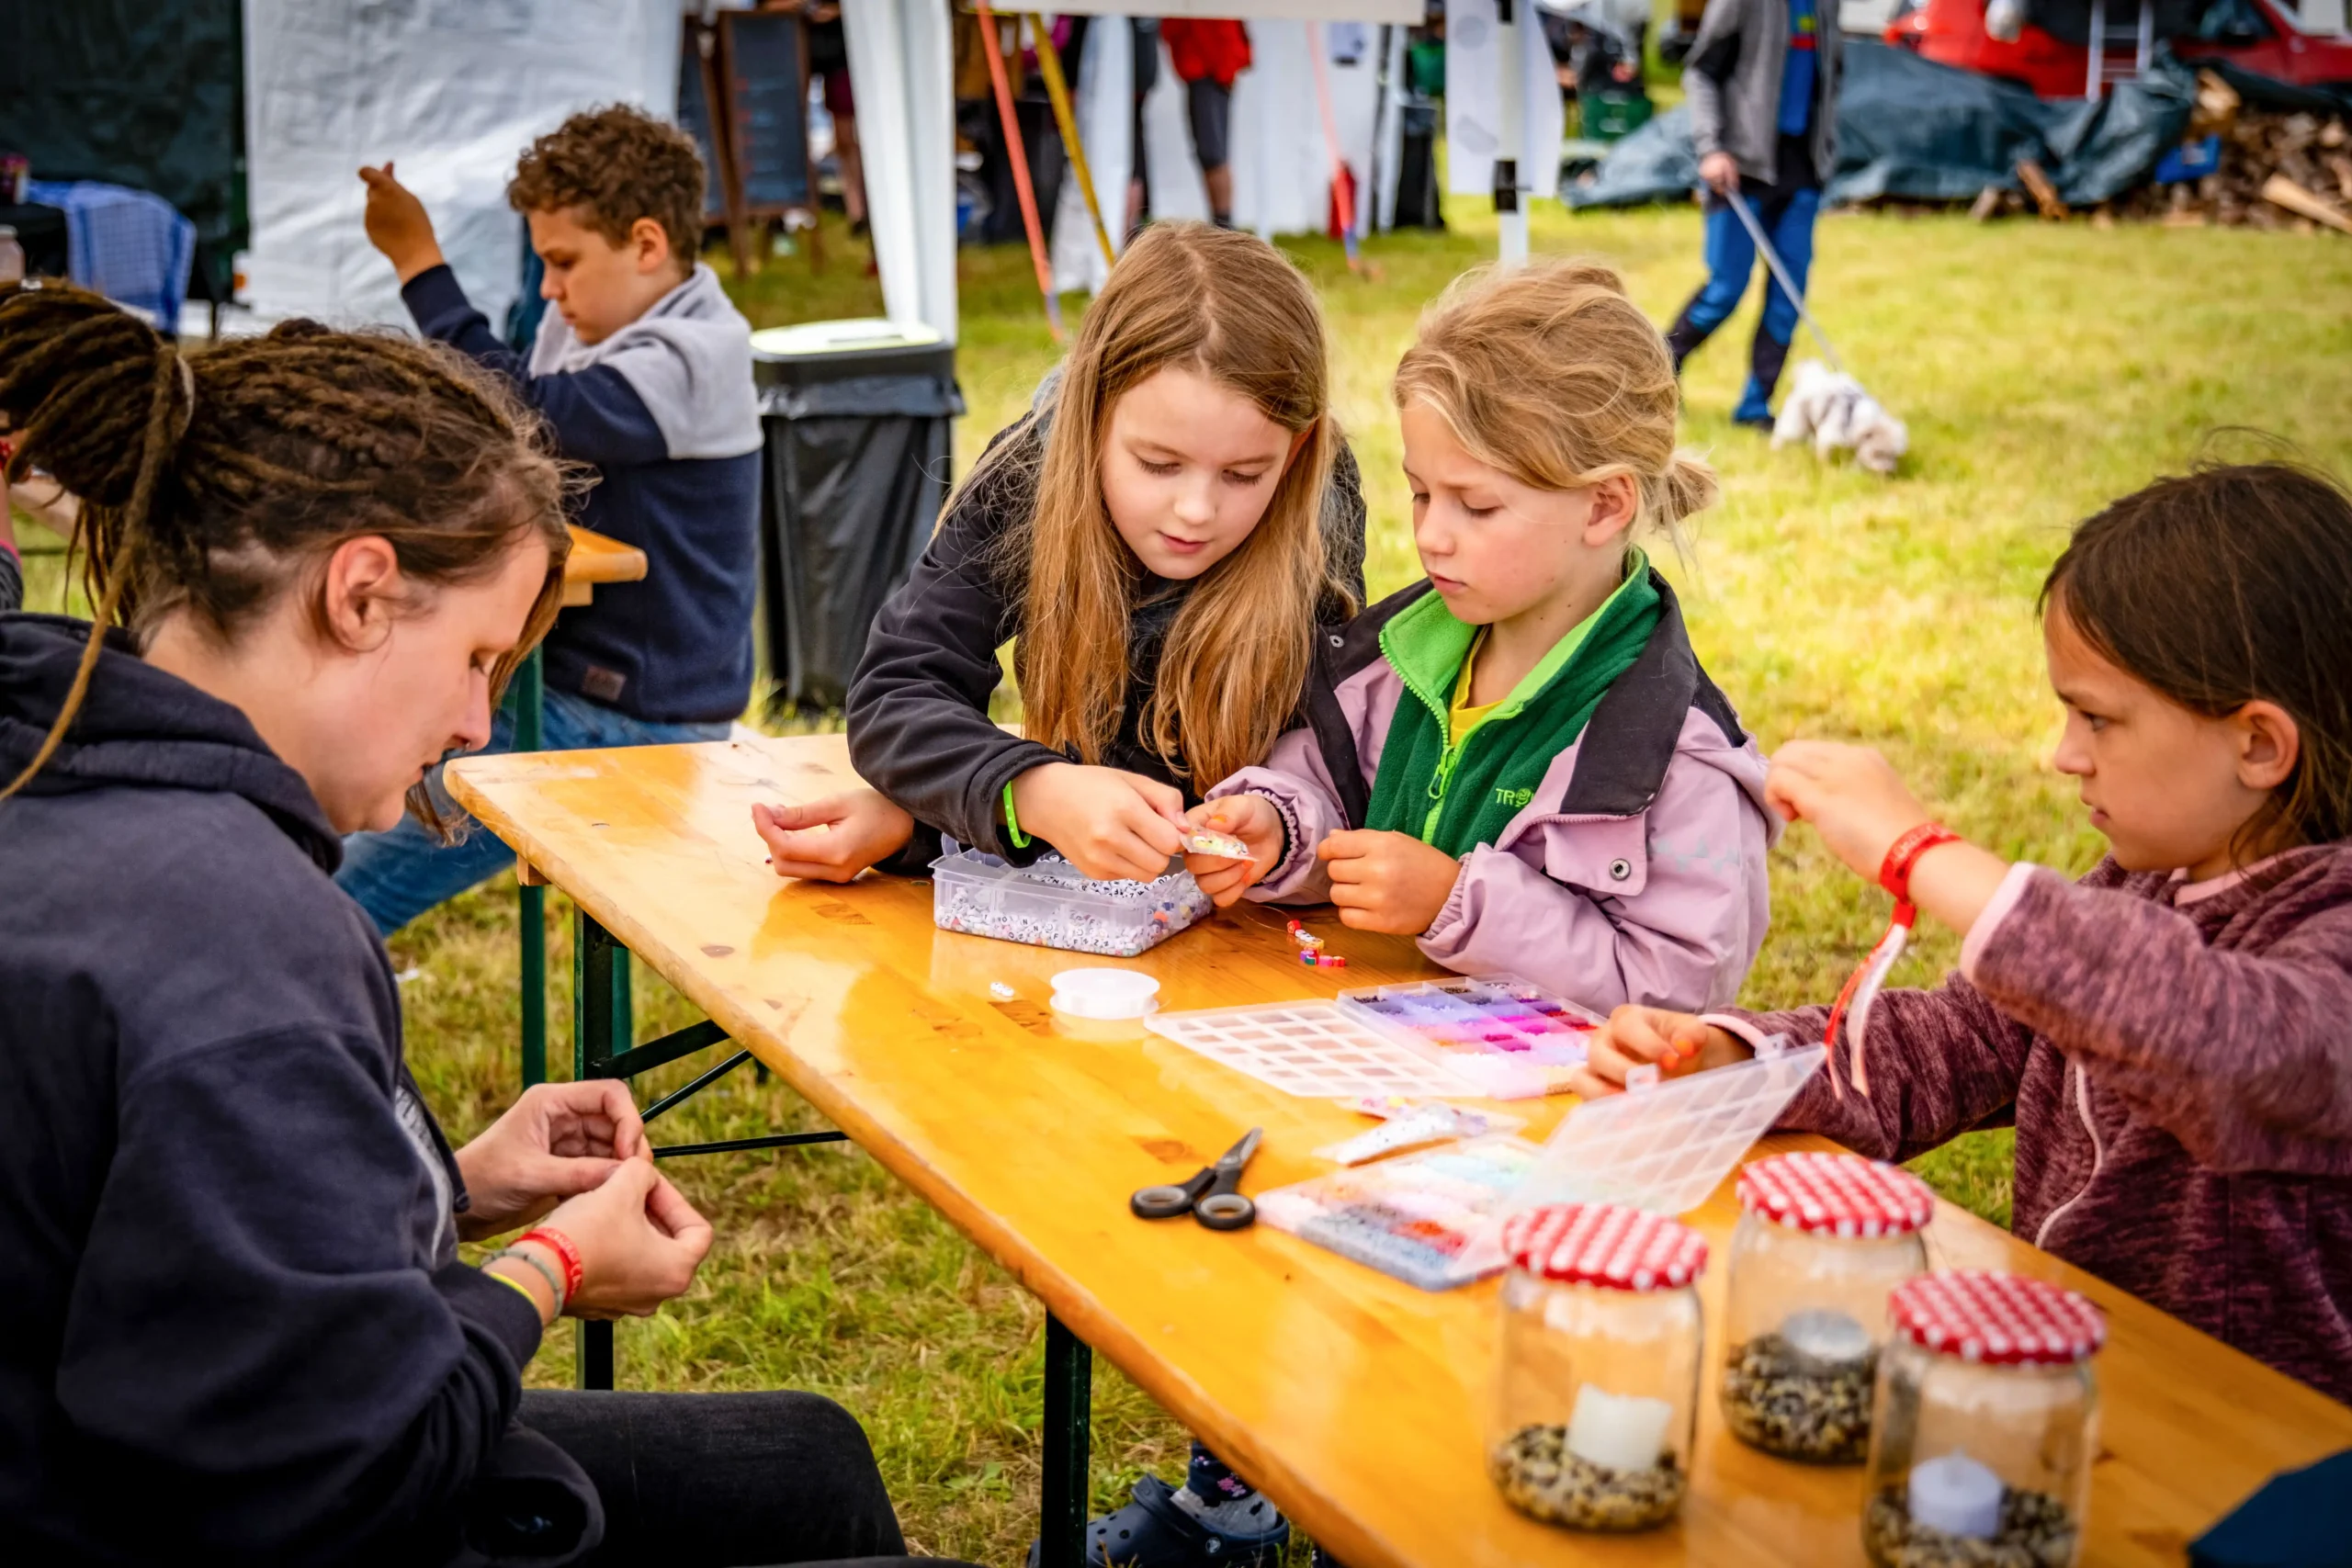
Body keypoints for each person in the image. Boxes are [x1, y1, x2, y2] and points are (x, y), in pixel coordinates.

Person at [0, 286, 967, 1566]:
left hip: (105, 1461)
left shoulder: (57, 759)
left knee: (806, 1453)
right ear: (359, 593)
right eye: (475, 659)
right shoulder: (242, 941)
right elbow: (356, 1472)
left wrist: (447, 1185)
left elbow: (169, 1246)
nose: (472, 724)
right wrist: (556, 1264)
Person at [1575, 460, 2352, 1404]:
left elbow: (2223, 1042)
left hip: (2250, 1454)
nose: (2064, 755)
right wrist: (1733, 1059)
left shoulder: (2327, 944)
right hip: (2061, 1396)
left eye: (2097, 720)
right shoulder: (2145, 886)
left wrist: (1920, 853)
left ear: (2259, 745)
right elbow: (1961, 1041)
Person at [1187, 259, 1774, 1016]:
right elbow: (1328, 788)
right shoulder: (1392, 661)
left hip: (1550, 1112)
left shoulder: (1678, 757)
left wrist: (1454, 901)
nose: (1432, 535)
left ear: (1603, 506)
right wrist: (1279, 824)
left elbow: (1671, 992)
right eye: (1422, 493)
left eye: (1477, 506)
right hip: (1373, 1068)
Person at [751, 221, 1367, 902]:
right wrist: (1023, 792)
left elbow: (1337, 764)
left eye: (1245, 475)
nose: (1196, 509)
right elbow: (897, 690)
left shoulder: (1316, 509)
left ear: (1299, 450)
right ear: (1090, 418)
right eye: (1158, 464)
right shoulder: (1029, 475)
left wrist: (1274, 823)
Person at [342, 102, 763, 936]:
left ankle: (303, 986)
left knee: (354, 870)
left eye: (563, 262)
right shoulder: (605, 324)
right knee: (350, 760)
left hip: (637, 717)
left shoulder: (694, 355)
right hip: (567, 682)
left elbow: (515, 410)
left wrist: (420, 264)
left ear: (647, 245)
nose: (548, 289)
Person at [1664, 0, 1842, 429]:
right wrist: (1712, 147)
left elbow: (1832, 76)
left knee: (1789, 296)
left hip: (1802, 171)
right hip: (1740, 170)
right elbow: (1701, 71)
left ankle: (1755, 407)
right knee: (1725, 289)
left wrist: (1827, 152)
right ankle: (1654, 378)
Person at [1158, 17, 1252, 228]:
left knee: (1213, 154)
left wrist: (1222, 70)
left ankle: (1223, 227)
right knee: (1211, 154)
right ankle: (1221, 225)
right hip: (1210, 68)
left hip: (1209, 69)